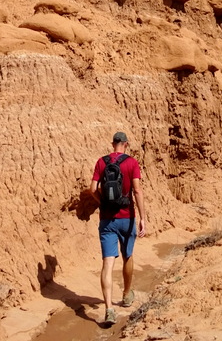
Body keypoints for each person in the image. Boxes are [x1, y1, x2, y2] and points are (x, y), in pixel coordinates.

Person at [90, 131, 146, 327]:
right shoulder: (132, 163)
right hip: (127, 217)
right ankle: (126, 294)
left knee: (107, 263)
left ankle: (109, 309)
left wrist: (102, 203)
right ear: (126, 144)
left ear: (113, 144)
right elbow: (137, 190)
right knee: (127, 256)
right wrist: (143, 217)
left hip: (107, 220)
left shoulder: (101, 162)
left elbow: (92, 189)